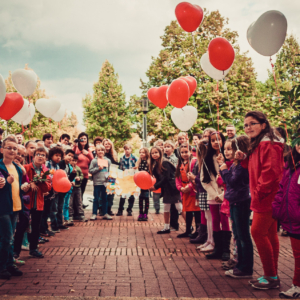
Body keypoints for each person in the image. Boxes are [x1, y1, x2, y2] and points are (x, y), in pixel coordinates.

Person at [236, 111, 284, 290]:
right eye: (246, 125)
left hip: (267, 197)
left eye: (252, 123)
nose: (248, 127)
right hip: (264, 196)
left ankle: (271, 276)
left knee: (257, 232)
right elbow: (256, 167)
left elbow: (271, 173)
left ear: (264, 125)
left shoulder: (268, 144)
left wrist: (259, 191)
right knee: (270, 234)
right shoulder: (259, 144)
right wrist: (244, 159)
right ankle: (272, 274)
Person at [218, 136, 253, 278]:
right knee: (238, 235)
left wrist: (224, 169)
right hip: (235, 201)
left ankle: (246, 267)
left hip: (241, 201)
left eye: (231, 148)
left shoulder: (242, 165)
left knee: (243, 235)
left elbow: (231, 182)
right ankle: (240, 265)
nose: (228, 151)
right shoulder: (236, 164)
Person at [273, 143, 300, 298]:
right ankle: (296, 285)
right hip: (293, 220)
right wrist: (278, 209)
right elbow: (281, 189)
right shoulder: (291, 168)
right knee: (297, 255)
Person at [201, 131, 231, 257]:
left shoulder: (228, 157)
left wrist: (222, 195)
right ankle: (217, 248)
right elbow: (204, 180)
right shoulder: (206, 159)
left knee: (224, 220)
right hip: (213, 195)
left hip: (226, 195)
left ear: (223, 141)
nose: (215, 142)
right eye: (212, 140)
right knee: (214, 220)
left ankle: (226, 250)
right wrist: (215, 195)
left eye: (218, 139)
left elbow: (230, 179)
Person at [0, 135, 24, 279]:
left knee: (10, 237)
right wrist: (4, 183)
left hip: (16, 206)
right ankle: (2, 266)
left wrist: (25, 187)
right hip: (3, 207)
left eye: (15, 148)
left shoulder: (17, 168)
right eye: (9, 148)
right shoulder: (0, 166)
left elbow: (18, 186)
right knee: (6, 237)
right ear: (2, 149)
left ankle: (9, 264)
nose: (12, 151)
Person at [24, 146, 51, 258]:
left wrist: (41, 181)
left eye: (43, 155)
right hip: (26, 202)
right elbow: (22, 181)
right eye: (38, 154)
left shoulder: (45, 171)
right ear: (33, 156)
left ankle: (33, 249)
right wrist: (31, 183)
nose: (40, 157)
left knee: (36, 227)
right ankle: (15, 252)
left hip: (38, 203)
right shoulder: (26, 167)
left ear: (45, 159)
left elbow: (47, 188)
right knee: (22, 226)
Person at [149, 146, 182, 234]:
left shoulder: (165, 163)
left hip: (173, 188)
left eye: (156, 152)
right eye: (152, 153)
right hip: (166, 189)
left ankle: (189, 227)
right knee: (166, 208)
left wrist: (155, 187)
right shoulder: (156, 165)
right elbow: (159, 178)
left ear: (160, 153)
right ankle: (166, 227)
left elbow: (166, 178)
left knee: (179, 207)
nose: (154, 154)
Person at [175, 143, 200, 238]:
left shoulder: (193, 163)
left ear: (190, 152)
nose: (184, 154)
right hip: (184, 190)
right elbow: (177, 178)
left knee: (196, 211)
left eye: (186, 152)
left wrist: (189, 187)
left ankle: (198, 231)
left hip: (192, 189)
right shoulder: (179, 164)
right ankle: (188, 230)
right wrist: (180, 188)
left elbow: (195, 175)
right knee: (188, 211)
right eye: (182, 152)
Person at [41, 146, 63, 236]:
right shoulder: (47, 164)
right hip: (47, 189)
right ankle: (43, 229)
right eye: (56, 155)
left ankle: (45, 228)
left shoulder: (57, 165)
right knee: (45, 210)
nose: (58, 157)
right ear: (51, 156)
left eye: (60, 156)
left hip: (53, 190)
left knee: (49, 210)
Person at [189, 141, 208, 245]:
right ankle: (204, 236)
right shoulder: (199, 161)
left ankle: (207, 237)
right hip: (200, 190)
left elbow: (205, 179)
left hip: (206, 191)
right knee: (203, 214)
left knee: (208, 216)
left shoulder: (205, 162)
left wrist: (194, 178)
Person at [52, 149, 76, 230]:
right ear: (65, 155)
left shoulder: (68, 166)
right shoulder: (60, 164)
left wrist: (73, 174)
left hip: (63, 190)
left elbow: (67, 179)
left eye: (72, 157)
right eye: (69, 155)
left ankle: (60, 223)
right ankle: (54, 225)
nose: (70, 158)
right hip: (57, 189)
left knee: (60, 206)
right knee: (55, 207)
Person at [89, 144, 112, 220]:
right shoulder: (94, 161)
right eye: (99, 150)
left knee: (105, 198)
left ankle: (105, 213)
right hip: (97, 183)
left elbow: (111, 171)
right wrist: (98, 168)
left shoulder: (108, 160)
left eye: (102, 150)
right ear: (96, 151)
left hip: (105, 183)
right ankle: (94, 214)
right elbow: (90, 171)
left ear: (104, 151)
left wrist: (111, 181)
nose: (100, 152)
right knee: (96, 199)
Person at [117, 144, 137, 216]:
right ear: (124, 150)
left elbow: (137, 166)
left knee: (131, 195)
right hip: (124, 179)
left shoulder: (134, 158)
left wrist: (135, 168)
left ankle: (129, 209)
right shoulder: (122, 158)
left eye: (128, 149)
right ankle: (120, 210)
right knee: (123, 195)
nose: (127, 150)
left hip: (132, 179)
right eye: (126, 149)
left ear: (131, 149)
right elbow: (120, 168)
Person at [72, 132, 93, 203]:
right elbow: (71, 157)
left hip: (85, 175)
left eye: (85, 138)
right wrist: (75, 146)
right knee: (75, 194)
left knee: (81, 193)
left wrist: (88, 154)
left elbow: (93, 161)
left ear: (87, 140)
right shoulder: (76, 149)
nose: (83, 140)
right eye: (81, 139)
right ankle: (74, 211)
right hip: (76, 174)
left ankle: (79, 210)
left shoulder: (89, 150)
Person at [103, 138, 118, 215]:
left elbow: (116, 164)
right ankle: (103, 210)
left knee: (111, 194)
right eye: (106, 144)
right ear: (103, 145)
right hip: (104, 177)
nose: (107, 145)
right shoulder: (102, 154)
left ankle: (109, 209)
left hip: (112, 177)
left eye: (109, 144)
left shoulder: (114, 154)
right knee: (103, 194)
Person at [68, 154, 85, 223]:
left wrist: (79, 178)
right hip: (70, 187)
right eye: (72, 161)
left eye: (75, 161)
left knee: (79, 202)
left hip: (78, 187)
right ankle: (70, 216)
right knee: (70, 202)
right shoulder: (68, 168)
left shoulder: (78, 168)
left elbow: (82, 175)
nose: (74, 162)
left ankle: (81, 215)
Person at [135, 147, 150, 221]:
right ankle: (141, 213)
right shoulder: (138, 162)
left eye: (143, 152)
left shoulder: (149, 162)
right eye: (140, 152)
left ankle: (145, 213)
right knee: (141, 198)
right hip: (140, 182)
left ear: (146, 153)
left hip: (146, 182)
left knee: (146, 198)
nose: (141, 154)